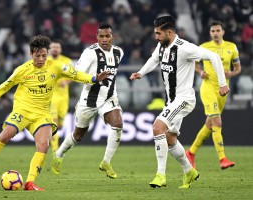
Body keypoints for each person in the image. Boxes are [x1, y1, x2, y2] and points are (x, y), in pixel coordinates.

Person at [0, 35, 110, 191]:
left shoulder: (56, 66)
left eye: (44, 55)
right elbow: (4, 86)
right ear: (31, 54)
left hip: (42, 113)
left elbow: (75, 74)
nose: (42, 59)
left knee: (43, 145)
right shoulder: (22, 70)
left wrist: (93, 78)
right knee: (5, 135)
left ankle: (29, 182)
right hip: (23, 110)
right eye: (38, 56)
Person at [129, 16, 229, 189]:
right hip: (171, 101)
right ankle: (190, 172)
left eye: (159, 33)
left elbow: (213, 57)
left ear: (169, 32)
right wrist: (141, 73)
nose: (156, 37)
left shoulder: (185, 48)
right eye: (155, 33)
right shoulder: (161, 47)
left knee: (157, 127)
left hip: (184, 99)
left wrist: (222, 83)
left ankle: (160, 175)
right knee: (169, 138)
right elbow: (154, 60)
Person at [52, 22, 124, 179]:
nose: (104, 39)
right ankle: (59, 154)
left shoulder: (119, 52)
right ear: (96, 37)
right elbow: (76, 74)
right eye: (101, 36)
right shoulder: (89, 53)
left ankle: (106, 162)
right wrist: (94, 78)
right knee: (78, 135)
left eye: (107, 36)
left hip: (109, 97)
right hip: (89, 99)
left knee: (118, 124)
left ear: (113, 37)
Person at [186, 21, 241, 170]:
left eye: (218, 30)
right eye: (213, 31)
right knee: (217, 122)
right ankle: (222, 158)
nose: (215, 33)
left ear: (223, 32)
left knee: (209, 124)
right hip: (208, 88)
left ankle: (190, 153)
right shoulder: (203, 47)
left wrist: (232, 73)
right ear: (210, 33)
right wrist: (200, 72)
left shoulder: (232, 47)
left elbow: (238, 68)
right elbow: (194, 64)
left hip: (223, 90)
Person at [48, 40, 73, 153]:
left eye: (57, 47)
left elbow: (74, 75)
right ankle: (55, 149)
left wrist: (66, 82)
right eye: (53, 47)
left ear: (60, 49)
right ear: (50, 49)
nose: (55, 49)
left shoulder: (67, 61)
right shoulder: (45, 61)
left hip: (63, 97)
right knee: (54, 122)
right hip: (50, 96)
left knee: (61, 124)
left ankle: (59, 126)